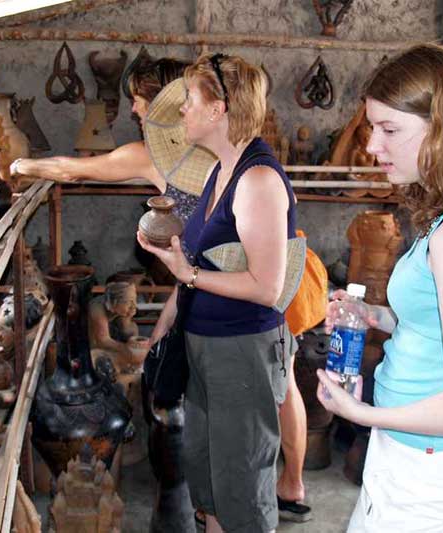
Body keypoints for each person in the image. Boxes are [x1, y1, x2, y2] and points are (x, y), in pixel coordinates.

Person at [316, 44, 443, 532]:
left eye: (390, 130)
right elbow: (442, 323)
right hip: (423, 446)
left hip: (426, 456)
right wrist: (378, 317)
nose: (373, 145)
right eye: (373, 128)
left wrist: (362, 414)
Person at [139, 52, 297, 533]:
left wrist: (187, 275)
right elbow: (203, 262)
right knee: (210, 481)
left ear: (218, 109)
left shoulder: (258, 180)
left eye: (190, 98)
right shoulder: (219, 171)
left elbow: (266, 287)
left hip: (242, 351)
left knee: (241, 486)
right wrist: (166, 320)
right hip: (205, 345)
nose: (182, 108)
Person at [11, 58, 200, 222]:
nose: (134, 109)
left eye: (137, 101)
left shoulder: (149, 155)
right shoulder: (205, 143)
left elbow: (68, 171)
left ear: (158, 106)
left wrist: (19, 166)